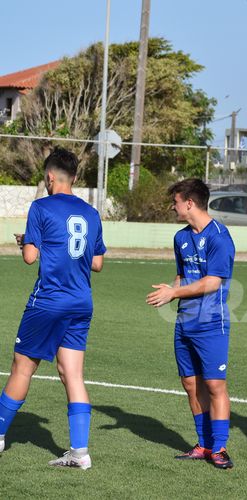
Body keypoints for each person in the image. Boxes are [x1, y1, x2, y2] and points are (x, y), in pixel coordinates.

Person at [0, 147, 106, 469]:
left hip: (48, 300)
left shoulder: (41, 207)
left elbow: (30, 257)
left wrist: (27, 242)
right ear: (74, 177)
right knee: (72, 373)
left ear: (49, 177)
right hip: (81, 302)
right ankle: (79, 453)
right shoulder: (91, 213)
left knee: (22, 367)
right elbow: (97, 263)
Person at [146, 178, 236, 469]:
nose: (172, 207)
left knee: (214, 384)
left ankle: (219, 447)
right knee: (190, 383)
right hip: (184, 322)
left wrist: (174, 293)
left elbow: (212, 282)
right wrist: (170, 291)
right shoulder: (180, 237)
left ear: (189, 203)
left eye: (175, 202)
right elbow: (182, 275)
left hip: (211, 323)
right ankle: (204, 444)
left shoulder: (220, 236)